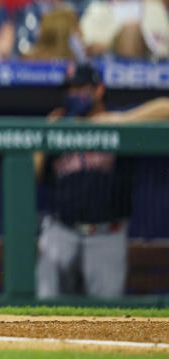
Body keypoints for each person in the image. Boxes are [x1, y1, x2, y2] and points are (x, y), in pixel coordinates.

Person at [35, 63, 169, 299]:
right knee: (46, 306)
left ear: (99, 90)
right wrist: (44, 136)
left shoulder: (117, 121)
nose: (74, 94)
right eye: (70, 89)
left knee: (107, 313)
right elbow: (32, 175)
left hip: (106, 235)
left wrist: (120, 122)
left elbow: (165, 108)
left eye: (81, 88)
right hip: (61, 231)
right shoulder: (58, 125)